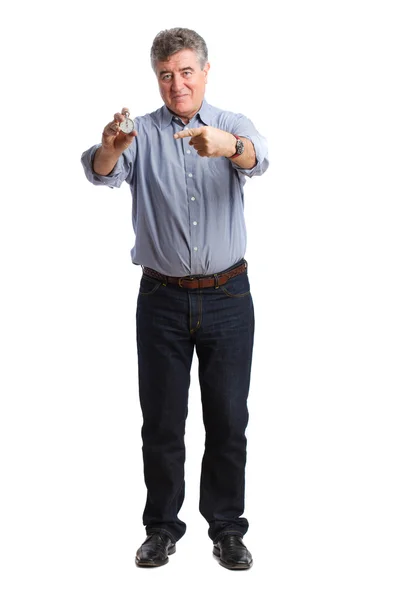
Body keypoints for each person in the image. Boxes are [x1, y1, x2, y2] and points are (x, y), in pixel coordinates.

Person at [81, 27, 269, 570]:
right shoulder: (136, 132)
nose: (176, 84)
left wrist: (228, 146)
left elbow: (259, 161)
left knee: (229, 420)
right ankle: (161, 528)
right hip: (161, 299)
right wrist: (109, 149)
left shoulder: (232, 124)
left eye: (186, 71)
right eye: (166, 74)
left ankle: (227, 530)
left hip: (229, 298)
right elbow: (101, 173)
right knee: (161, 422)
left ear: (205, 72)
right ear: (156, 78)